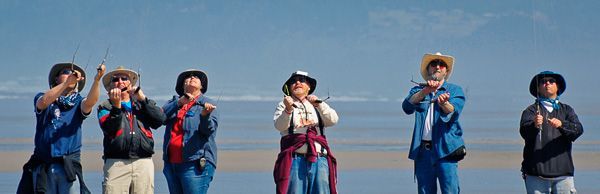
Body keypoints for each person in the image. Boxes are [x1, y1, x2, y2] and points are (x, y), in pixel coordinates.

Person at [17, 63, 105, 194]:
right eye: (66, 72)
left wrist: (97, 79)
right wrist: (65, 84)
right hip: (43, 166)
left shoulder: (78, 102)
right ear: (56, 79)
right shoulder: (42, 96)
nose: (70, 75)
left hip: (68, 166)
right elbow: (43, 102)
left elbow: (91, 102)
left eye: (73, 73)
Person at [402, 52, 466, 194]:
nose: (437, 67)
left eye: (442, 64)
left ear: (446, 71)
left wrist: (444, 103)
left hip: (446, 150)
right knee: (425, 191)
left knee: (450, 191)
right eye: (434, 64)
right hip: (423, 152)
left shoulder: (455, 90)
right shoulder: (418, 90)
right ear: (428, 69)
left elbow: (453, 111)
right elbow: (407, 107)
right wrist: (425, 91)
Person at [97, 66, 166, 193]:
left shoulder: (141, 104)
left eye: (124, 78)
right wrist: (116, 107)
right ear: (110, 86)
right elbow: (109, 128)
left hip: (143, 162)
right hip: (116, 162)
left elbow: (160, 120)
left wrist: (143, 99)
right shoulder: (105, 106)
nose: (120, 81)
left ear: (130, 84)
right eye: (115, 79)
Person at [273, 70, 340, 194]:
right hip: (295, 160)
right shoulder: (283, 105)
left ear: (309, 87)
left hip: (319, 159)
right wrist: (288, 109)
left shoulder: (318, 104)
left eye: (302, 80)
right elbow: (279, 126)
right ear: (289, 88)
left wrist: (319, 105)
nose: (297, 82)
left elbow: (333, 120)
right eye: (293, 81)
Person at [520, 71, 583, 194]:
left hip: (563, 175)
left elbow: (578, 130)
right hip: (536, 175)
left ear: (558, 86)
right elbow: (524, 132)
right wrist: (534, 125)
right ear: (538, 87)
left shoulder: (567, 110)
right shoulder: (531, 111)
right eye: (543, 82)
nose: (547, 83)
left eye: (551, 81)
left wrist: (562, 125)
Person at [162, 69, 218, 194]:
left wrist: (205, 116)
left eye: (196, 77)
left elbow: (209, 131)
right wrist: (179, 102)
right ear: (182, 86)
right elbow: (161, 118)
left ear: (202, 86)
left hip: (195, 164)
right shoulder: (174, 102)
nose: (192, 77)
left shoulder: (208, 104)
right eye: (187, 77)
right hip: (171, 164)